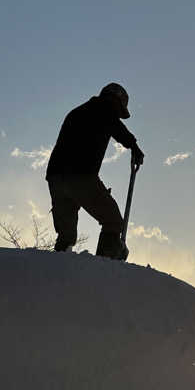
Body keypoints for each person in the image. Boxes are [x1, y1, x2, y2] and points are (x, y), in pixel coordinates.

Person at [45, 83, 144, 260]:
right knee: (113, 220)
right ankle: (105, 265)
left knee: (66, 234)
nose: (117, 114)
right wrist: (133, 145)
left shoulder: (79, 111)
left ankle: (58, 268)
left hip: (56, 178)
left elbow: (111, 123)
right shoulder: (104, 108)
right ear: (114, 99)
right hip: (80, 175)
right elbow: (115, 125)